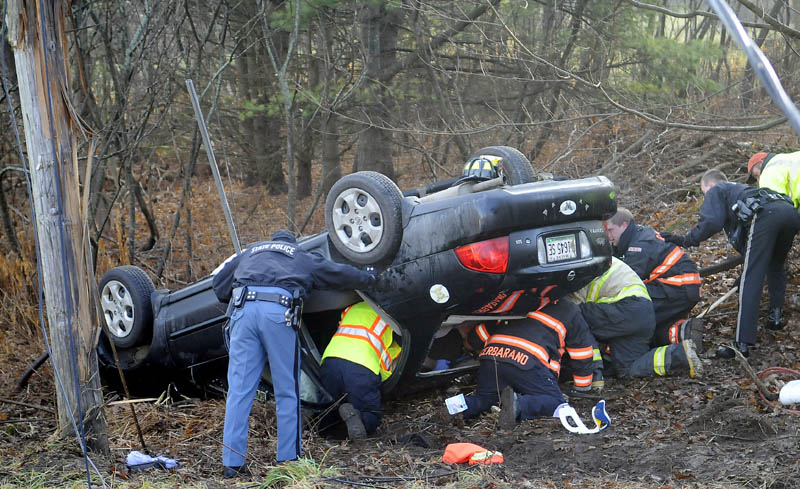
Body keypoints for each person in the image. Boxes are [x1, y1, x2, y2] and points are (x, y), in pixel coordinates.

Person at [212, 230, 377, 477]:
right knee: (286, 390)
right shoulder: (300, 255)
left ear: (271, 241)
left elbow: (219, 286)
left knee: (239, 391)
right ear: (292, 243)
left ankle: (232, 465)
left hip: (242, 311)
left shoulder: (250, 251)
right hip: (277, 314)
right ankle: (289, 460)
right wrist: (368, 278)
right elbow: (337, 274)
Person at [661, 169, 800, 358]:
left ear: (709, 186)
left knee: (751, 280)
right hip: (790, 213)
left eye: (704, 194)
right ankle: (774, 318)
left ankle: (741, 344)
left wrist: (686, 239)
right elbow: (752, 249)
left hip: (766, 214)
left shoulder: (717, 189)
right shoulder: (742, 192)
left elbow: (712, 222)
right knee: (775, 265)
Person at [447, 300, 596, 429]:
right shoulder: (569, 309)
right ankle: (519, 405)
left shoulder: (518, 299)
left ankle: (455, 406)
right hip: (528, 359)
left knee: (486, 398)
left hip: (491, 357)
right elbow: (582, 353)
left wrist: (468, 343)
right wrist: (583, 387)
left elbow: (481, 335)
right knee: (554, 401)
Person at [568, 257, 702, 380]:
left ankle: (592, 374)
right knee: (628, 368)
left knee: (575, 316)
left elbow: (572, 315)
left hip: (625, 307)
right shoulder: (597, 257)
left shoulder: (579, 264)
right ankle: (680, 354)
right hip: (643, 313)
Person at [605, 208, 704, 350]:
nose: (608, 236)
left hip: (677, 288)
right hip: (679, 288)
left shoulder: (639, 245)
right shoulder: (637, 236)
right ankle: (683, 332)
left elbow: (624, 280)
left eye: (610, 230)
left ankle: (617, 349)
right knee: (650, 325)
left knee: (635, 315)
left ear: (624, 225)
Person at [319, 302, 401, 439]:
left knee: (329, 407)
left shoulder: (352, 307)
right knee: (370, 411)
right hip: (362, 365)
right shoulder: (392, 312)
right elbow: (389, 363)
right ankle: (359, 419)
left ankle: (324, 429)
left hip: (330, 360)